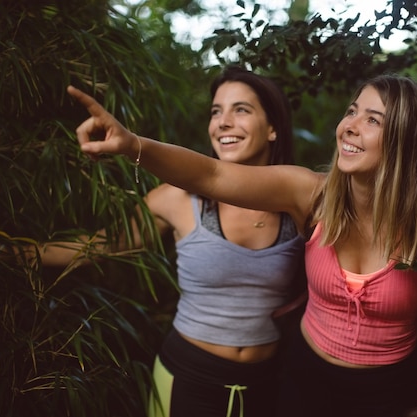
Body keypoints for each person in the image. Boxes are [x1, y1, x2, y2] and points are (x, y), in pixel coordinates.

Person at [66, 73, 417, 417]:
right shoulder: (314, 194)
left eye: (373, 120)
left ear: (408, 138)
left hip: (386, 395)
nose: (350, 127)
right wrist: (132, 144)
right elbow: (211, 176)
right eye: (352, 111)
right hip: (301, 381)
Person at [41, 67, 306, 417]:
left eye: (241, 109)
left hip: (268, 383)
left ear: (273, 128)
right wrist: (14, 254)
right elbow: (100, 246)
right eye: (216, 111)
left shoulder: (299, 203)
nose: (223, 122)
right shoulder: (177, 199)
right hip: (188, 379)